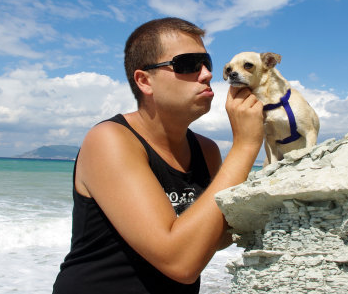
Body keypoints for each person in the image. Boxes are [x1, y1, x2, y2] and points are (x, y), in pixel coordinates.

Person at [53, 17, 264, 294]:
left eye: (207, 63)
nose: (206, 74)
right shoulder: (109, 140)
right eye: (188, 64)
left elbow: (215, 237)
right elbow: (180, 262)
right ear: (145, 81)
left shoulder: (206, 150)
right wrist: (245, 146)